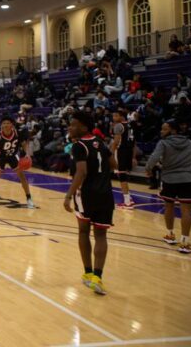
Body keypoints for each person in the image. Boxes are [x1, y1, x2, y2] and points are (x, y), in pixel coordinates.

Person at [64, 110, 115, 295]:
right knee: (101, 235)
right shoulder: (100, 143)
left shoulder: (78, 146)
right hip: (106, 194)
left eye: (73, 124)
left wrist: (68, 195)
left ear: (84, 127)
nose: (70, 127)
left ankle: (87, 273)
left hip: (86, 195)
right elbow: (114, 164)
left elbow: (81, 172)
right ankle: (98, 277)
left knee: (84, 231)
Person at [146, 121, 191, 254]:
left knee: (169, 207)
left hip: (169, 179)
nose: (161, 131)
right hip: (187, 180)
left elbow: (154, 157)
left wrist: (148, 168)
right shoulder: (189, 143)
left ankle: (171, 235)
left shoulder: (163, 143)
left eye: (164, 129)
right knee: (186, 211)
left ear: (173, 131)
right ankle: (185, 242)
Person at [0, 117, 35, 208]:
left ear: (12, 124)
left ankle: (29, 198)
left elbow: (24, 144)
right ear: (1, 125)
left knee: (22, 177)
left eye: (7, 123)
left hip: (13, 156)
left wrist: (27, 154)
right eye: (4, 123)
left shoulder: (17, 133)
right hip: (1, 156)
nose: (5, 125)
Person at [111, 109, 136, 210]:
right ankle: (129, 198)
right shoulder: (130, 125)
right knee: (123, 175)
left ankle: (127, 202)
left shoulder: (118, 126)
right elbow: (134, 142)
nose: (114, 118)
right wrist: (133, 156)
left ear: (122, 116)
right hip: (128, 151)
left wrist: (111, 154)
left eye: (116, 116)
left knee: (122, 176)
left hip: (121, 152)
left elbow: (116, 141)